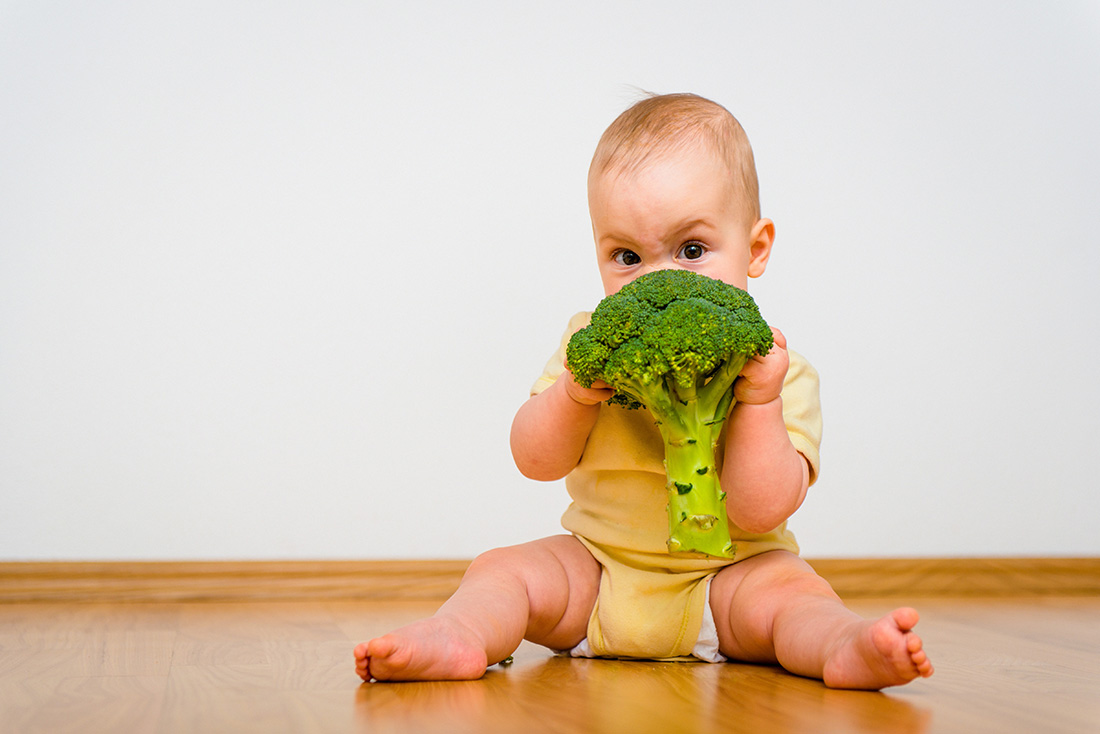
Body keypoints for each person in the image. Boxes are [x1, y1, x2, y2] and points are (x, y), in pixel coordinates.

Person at [354, 93, 934, 690]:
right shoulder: (590, 347)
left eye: (691, 250)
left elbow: (765, 509)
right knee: (503, 571)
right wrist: (574, 396)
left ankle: (843, 645)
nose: (658, 280)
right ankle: (460, 635)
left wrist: (759, 403)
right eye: (626, 256)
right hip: (598, 572)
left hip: (730, 579)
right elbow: (534, 459)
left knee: (794, 595)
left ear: (755, 248)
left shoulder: (779, 371)